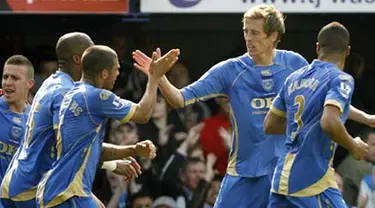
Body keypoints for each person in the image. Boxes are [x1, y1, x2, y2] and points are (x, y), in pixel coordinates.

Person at [132, 4, 375, 207]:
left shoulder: (294, 64)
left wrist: (366, 119)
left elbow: (321, 106)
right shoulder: (229, 71)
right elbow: (178, 99)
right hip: (244, 174)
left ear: (273, 36)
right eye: (246, 31)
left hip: (285, 175)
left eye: (255, 33)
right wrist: (158, 77)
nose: (248, 38)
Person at [0, 32, 150, 208]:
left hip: (18, 183)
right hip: (31, 189)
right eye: (90, 54)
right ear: (79, 59)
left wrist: (110, 164)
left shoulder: (52, 83)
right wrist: (117, 159)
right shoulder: (67, 94)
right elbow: (66, 147)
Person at [36, 45, 179, 207]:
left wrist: (133, 150)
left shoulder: (73, 95)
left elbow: (91, 149)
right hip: (67, 194)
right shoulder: (96, 97)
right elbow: (143, 114)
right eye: (116, 69)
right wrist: (154, 78)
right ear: (104, 73)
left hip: (60, 190)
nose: (118, 74)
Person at [264, 21, 369, 207]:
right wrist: (353, 146)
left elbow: (270, 125)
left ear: (318, 48)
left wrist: (366, 119)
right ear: (348, 51)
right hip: (306, 179)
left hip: (304, 174)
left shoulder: (293, 79)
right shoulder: (341, 78)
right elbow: (329, 121)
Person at [0, 55, 34, 207]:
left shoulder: (36, 119)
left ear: (30, 83)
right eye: (5, 77)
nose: (8, 82)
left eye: (14, 78)